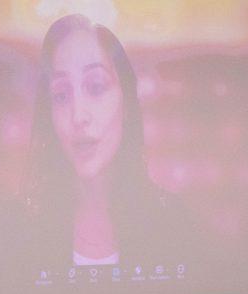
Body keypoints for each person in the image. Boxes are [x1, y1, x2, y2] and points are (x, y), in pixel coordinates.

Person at [25, 14, 191, 269]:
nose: (78, 116)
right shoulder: (19, 225)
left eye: (96, 87)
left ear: (126, 104)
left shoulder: (176, 222)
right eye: (60, 95)